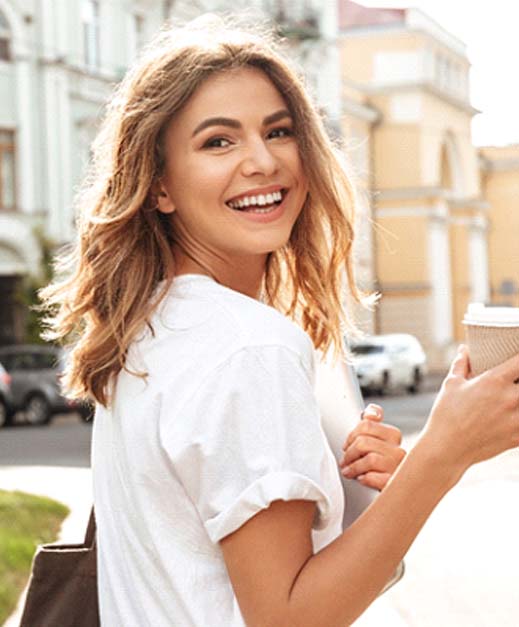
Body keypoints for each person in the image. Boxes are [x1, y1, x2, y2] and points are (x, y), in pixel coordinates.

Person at [41, 16, 519, 627]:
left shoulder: (150, 329)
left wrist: (374, 492)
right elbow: (288, 618)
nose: (262, 161)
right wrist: (443, 455)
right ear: (159, 185)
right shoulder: (247, 348)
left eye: (279, 131)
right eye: (219, 141)